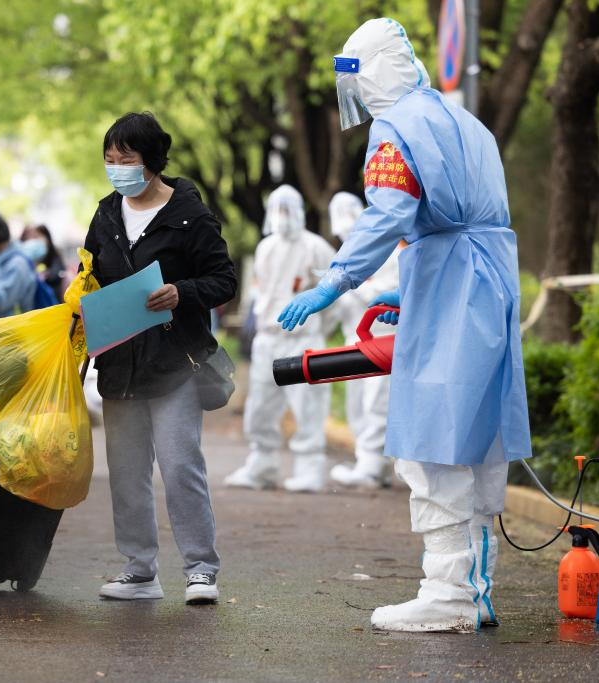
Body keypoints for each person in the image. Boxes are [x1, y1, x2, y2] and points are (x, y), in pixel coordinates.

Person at [278, 18, 531, 632]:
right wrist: (411, 286)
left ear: (375, 72)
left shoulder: (397, 129)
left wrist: (334, 282)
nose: (360, 97)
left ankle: (447, 595)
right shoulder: (467, 124)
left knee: (434, 441)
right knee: (473, 437)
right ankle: (477, 589)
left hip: (451, 285)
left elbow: (388, 214)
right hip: (483, 282)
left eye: (359, 81)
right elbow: (467, 219)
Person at [85, 112, 236, 605]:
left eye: (125, 159)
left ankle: (200, 569)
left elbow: (223, 280)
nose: (116, 168)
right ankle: (139, 569)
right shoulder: (106, 214)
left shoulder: (188, 213)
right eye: (109, 159)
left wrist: (181, 292)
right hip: (120, 365)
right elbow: (89, 275)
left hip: (174, 365)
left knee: (179, 464)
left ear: (152, 161)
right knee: (126, 471)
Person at [224, 185, 336, 493]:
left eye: (287, 209)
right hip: (268, 337)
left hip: (304, 338)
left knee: (308, 404)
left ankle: (310, 466)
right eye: (277, 209)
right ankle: (263, 463)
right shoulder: (266, 247)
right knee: (260, 404)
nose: (281, 217)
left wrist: (318, 328)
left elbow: (337, 294)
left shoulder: (316, 247)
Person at [325, 192, 401, 490]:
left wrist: (353, 286)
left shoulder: (391, 251)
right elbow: (341, 306)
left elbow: (387, 294)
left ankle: (371, 466)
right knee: (357, 403)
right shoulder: (344, 255)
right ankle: (369, 462)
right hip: (354, 340)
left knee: (376, 403)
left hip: (383, 339)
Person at [20, 224, 66, 298]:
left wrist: (45, 275)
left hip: (53, 297)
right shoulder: (26, 256)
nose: (34, 241)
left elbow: (58, 272)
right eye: (32, 238)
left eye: (37, 236)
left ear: (46, 237)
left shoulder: (53, 253)